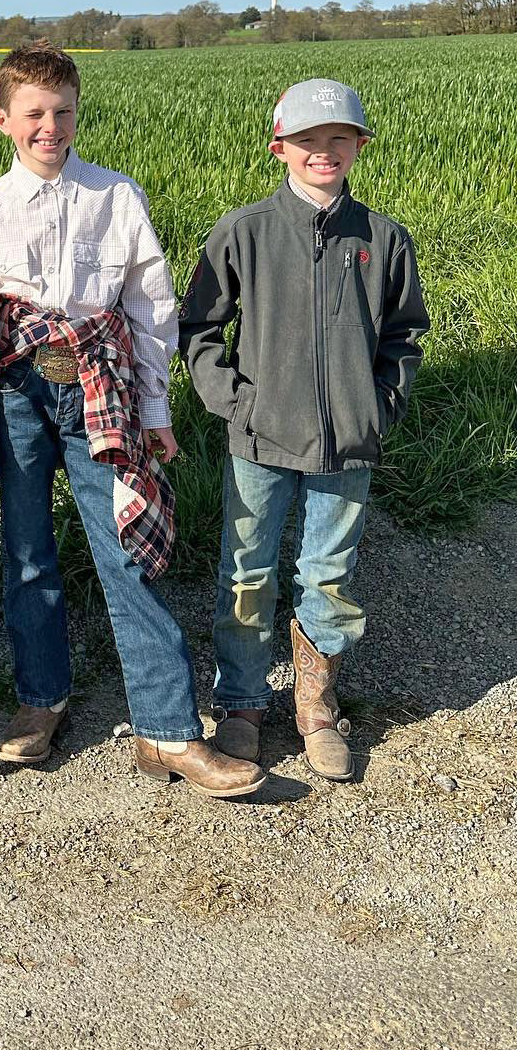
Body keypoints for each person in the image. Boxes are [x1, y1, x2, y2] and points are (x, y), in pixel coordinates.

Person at [0, 45, 265, 799]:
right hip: (20, 389)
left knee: (126, 546)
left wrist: (155, 409)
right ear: (4, 121)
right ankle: (41, 699)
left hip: (104, 390)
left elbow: (152, 310)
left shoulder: (117, 197)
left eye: (62, 112)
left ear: (78, 113)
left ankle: (166, 729)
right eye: (33, 114)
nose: (49, 127)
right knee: (26, 552)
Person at [179, 78, 428, 780]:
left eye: (338, 139)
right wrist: (236, 403)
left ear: (359, 147)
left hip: (348, 446)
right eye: (308, 140)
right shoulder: (244, 231)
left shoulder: (383, 238)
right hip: (260, 441)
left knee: (329, 574)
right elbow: (197, 327)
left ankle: (316, 703)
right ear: (279, 148)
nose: (324, 151)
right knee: (246, 573)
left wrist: (378, 407)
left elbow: (405, 338)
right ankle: (242, 704)